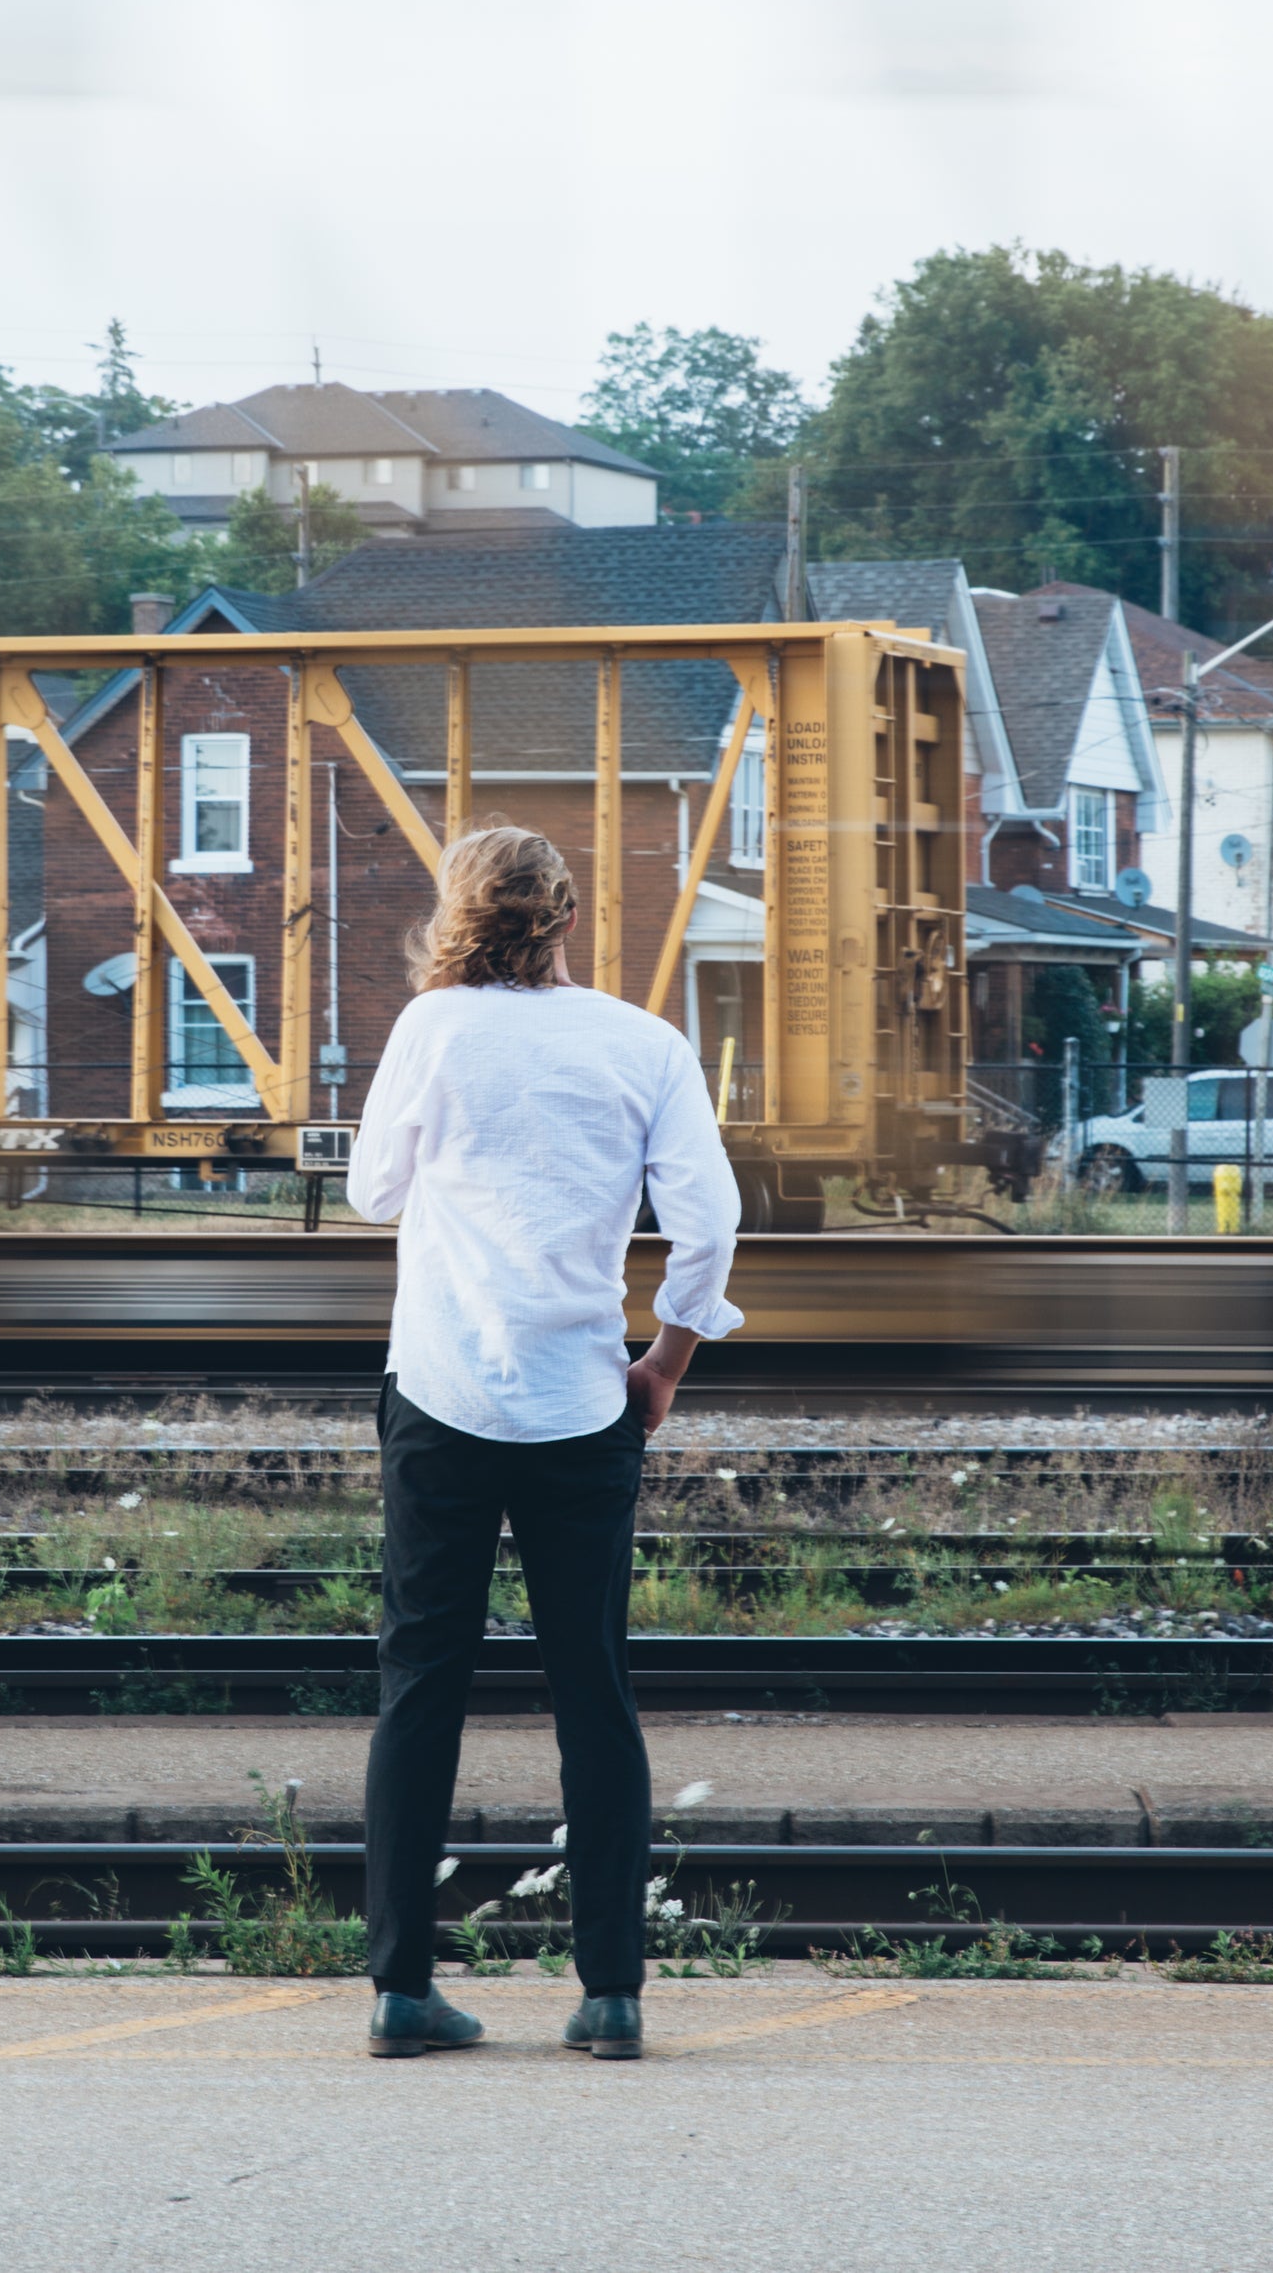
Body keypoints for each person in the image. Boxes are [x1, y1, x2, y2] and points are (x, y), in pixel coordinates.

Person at [344, 822, 744, 2060]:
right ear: (569, 915)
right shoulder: (643, 1042)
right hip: (585, 1402)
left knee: (422, 1683)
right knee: (593, 1689)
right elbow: (711, 1225)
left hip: (445, 1391)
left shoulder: (433, 1029)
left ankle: (403, 1991)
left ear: (459, 912)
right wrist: (666, 1361)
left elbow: (372, 1193)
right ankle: (612, 1995)